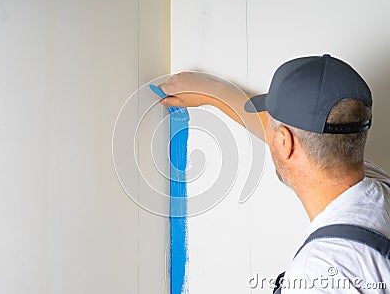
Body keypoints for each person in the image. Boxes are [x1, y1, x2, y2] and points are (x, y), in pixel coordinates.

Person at [158, 54, 390, 293]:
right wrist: (213, 92)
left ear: (284, 142)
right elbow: (287, 136)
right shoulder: (377, 189)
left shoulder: (316, 274)